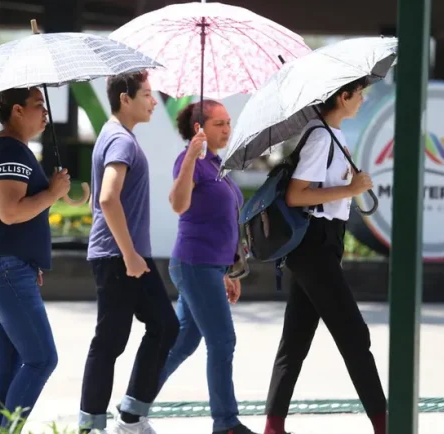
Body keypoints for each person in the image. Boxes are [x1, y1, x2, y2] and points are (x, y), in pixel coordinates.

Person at [263, 78, 386, 434]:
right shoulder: (320, 137)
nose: (362, 99)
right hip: (314, 245)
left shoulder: (333, 135)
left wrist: (350, 185)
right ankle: (385, 422)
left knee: (297, 337)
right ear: (342, 96)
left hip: (323, 244)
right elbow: (296, 196)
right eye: (358, 94)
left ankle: (273, 425)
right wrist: (351, 187)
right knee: (354, 334)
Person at [78, 70, 179, 434]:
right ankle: (92, 426)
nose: (154, 102)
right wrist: (130, 255)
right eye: (147, 94)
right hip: (119, 256)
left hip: (127, 255)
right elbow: (107, 197)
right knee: (111, 340)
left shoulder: (117, 136)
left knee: (165, 326)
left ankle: (132, 415)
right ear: (125, 98)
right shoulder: (120, 140)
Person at [0, 87, 70, 431]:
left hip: (1, 268)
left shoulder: (5, 147)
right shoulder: (10, 148)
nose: (45, 114)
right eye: (38, 106)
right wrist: (53, 193)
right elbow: (10, 212)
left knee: (8, 363)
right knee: (42, 359)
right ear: (16, 111)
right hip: (4, 270)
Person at [156, 100, 259, 434]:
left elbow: (224, 220)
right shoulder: (191, 162)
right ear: (198, 128)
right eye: (219, 124)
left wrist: (229, 271)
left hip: (211, 268)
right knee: (222, 341)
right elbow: (178, 204)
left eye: (228, 123)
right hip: (194, 263)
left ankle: (134, 402)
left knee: (184, 342)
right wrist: (190, 157)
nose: (227, 129)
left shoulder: (217, 165)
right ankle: (226, 423)